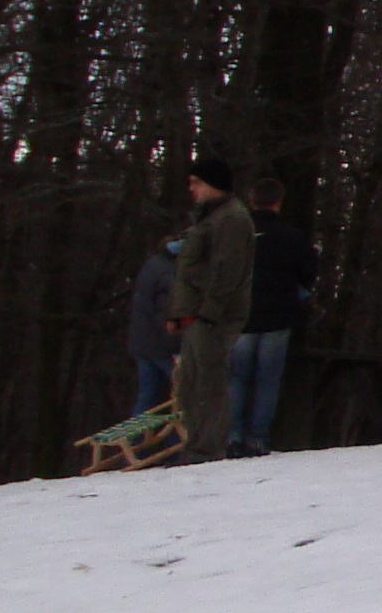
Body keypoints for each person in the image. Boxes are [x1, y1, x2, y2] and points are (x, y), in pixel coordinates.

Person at [167, 156, 255, 463]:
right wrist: (178, 313)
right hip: (196, 315)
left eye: (196, 182)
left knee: (209, 383)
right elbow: (190, 271)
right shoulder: (210, 217)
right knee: (189, 384)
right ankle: (196, 444)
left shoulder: (231, 219)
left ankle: (207, 448)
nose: (191, 189)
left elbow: (226, 272)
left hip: (212, 317)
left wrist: (210, 313)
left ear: (212, 184)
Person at [231, 178, 316, 456]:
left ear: (251, 200)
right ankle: (256, 438)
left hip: (242, 316)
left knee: (238, 378)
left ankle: (233, 435)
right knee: (267, 380)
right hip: (278, 316)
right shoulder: (292, 236)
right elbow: (308, 271)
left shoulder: (237, 235)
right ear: (278, 201)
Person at [127, 234, 181, 420]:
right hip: (161, 346)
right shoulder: (170, 274)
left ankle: (136, 435)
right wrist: (175, 347)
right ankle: (178, 436)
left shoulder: (152, 265)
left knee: (146, 395)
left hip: (142, 344)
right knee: (182, 392)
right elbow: (163, 316)